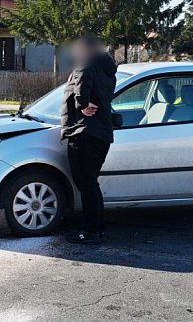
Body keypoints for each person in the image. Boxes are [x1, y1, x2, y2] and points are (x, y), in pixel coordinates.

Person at [60, 35, 117, 244]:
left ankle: (91, 232)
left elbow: (81, 87)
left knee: (86, 183)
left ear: (87, 49)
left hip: (84, 132)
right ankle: (97, 228)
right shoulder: (106, 69)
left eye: (78, 48)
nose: (76, 52)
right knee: (91, 183)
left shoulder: (87, 65)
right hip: (101, 133)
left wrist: (82, 104)